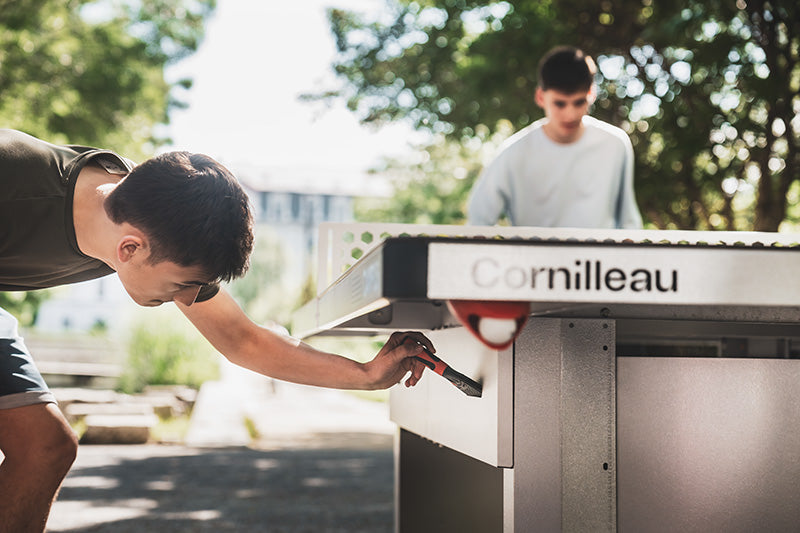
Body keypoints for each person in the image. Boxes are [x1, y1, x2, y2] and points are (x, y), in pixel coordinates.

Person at [0, 128, 432, 533]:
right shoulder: (18, 187)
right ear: (129, 249)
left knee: (44, 448)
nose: (188, 298)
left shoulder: (160, 218)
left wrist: (365, 374)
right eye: (180, 285)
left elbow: (241, 339)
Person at [467, 45, 643, 229]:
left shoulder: (615, 145)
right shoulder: (513, 153)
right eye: (560, 104)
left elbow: (628, 222)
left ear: (591, 94)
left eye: (579, 102)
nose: (570, 114)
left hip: (600, 258)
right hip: (533, 257)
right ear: (540, 97)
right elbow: (478, 222)